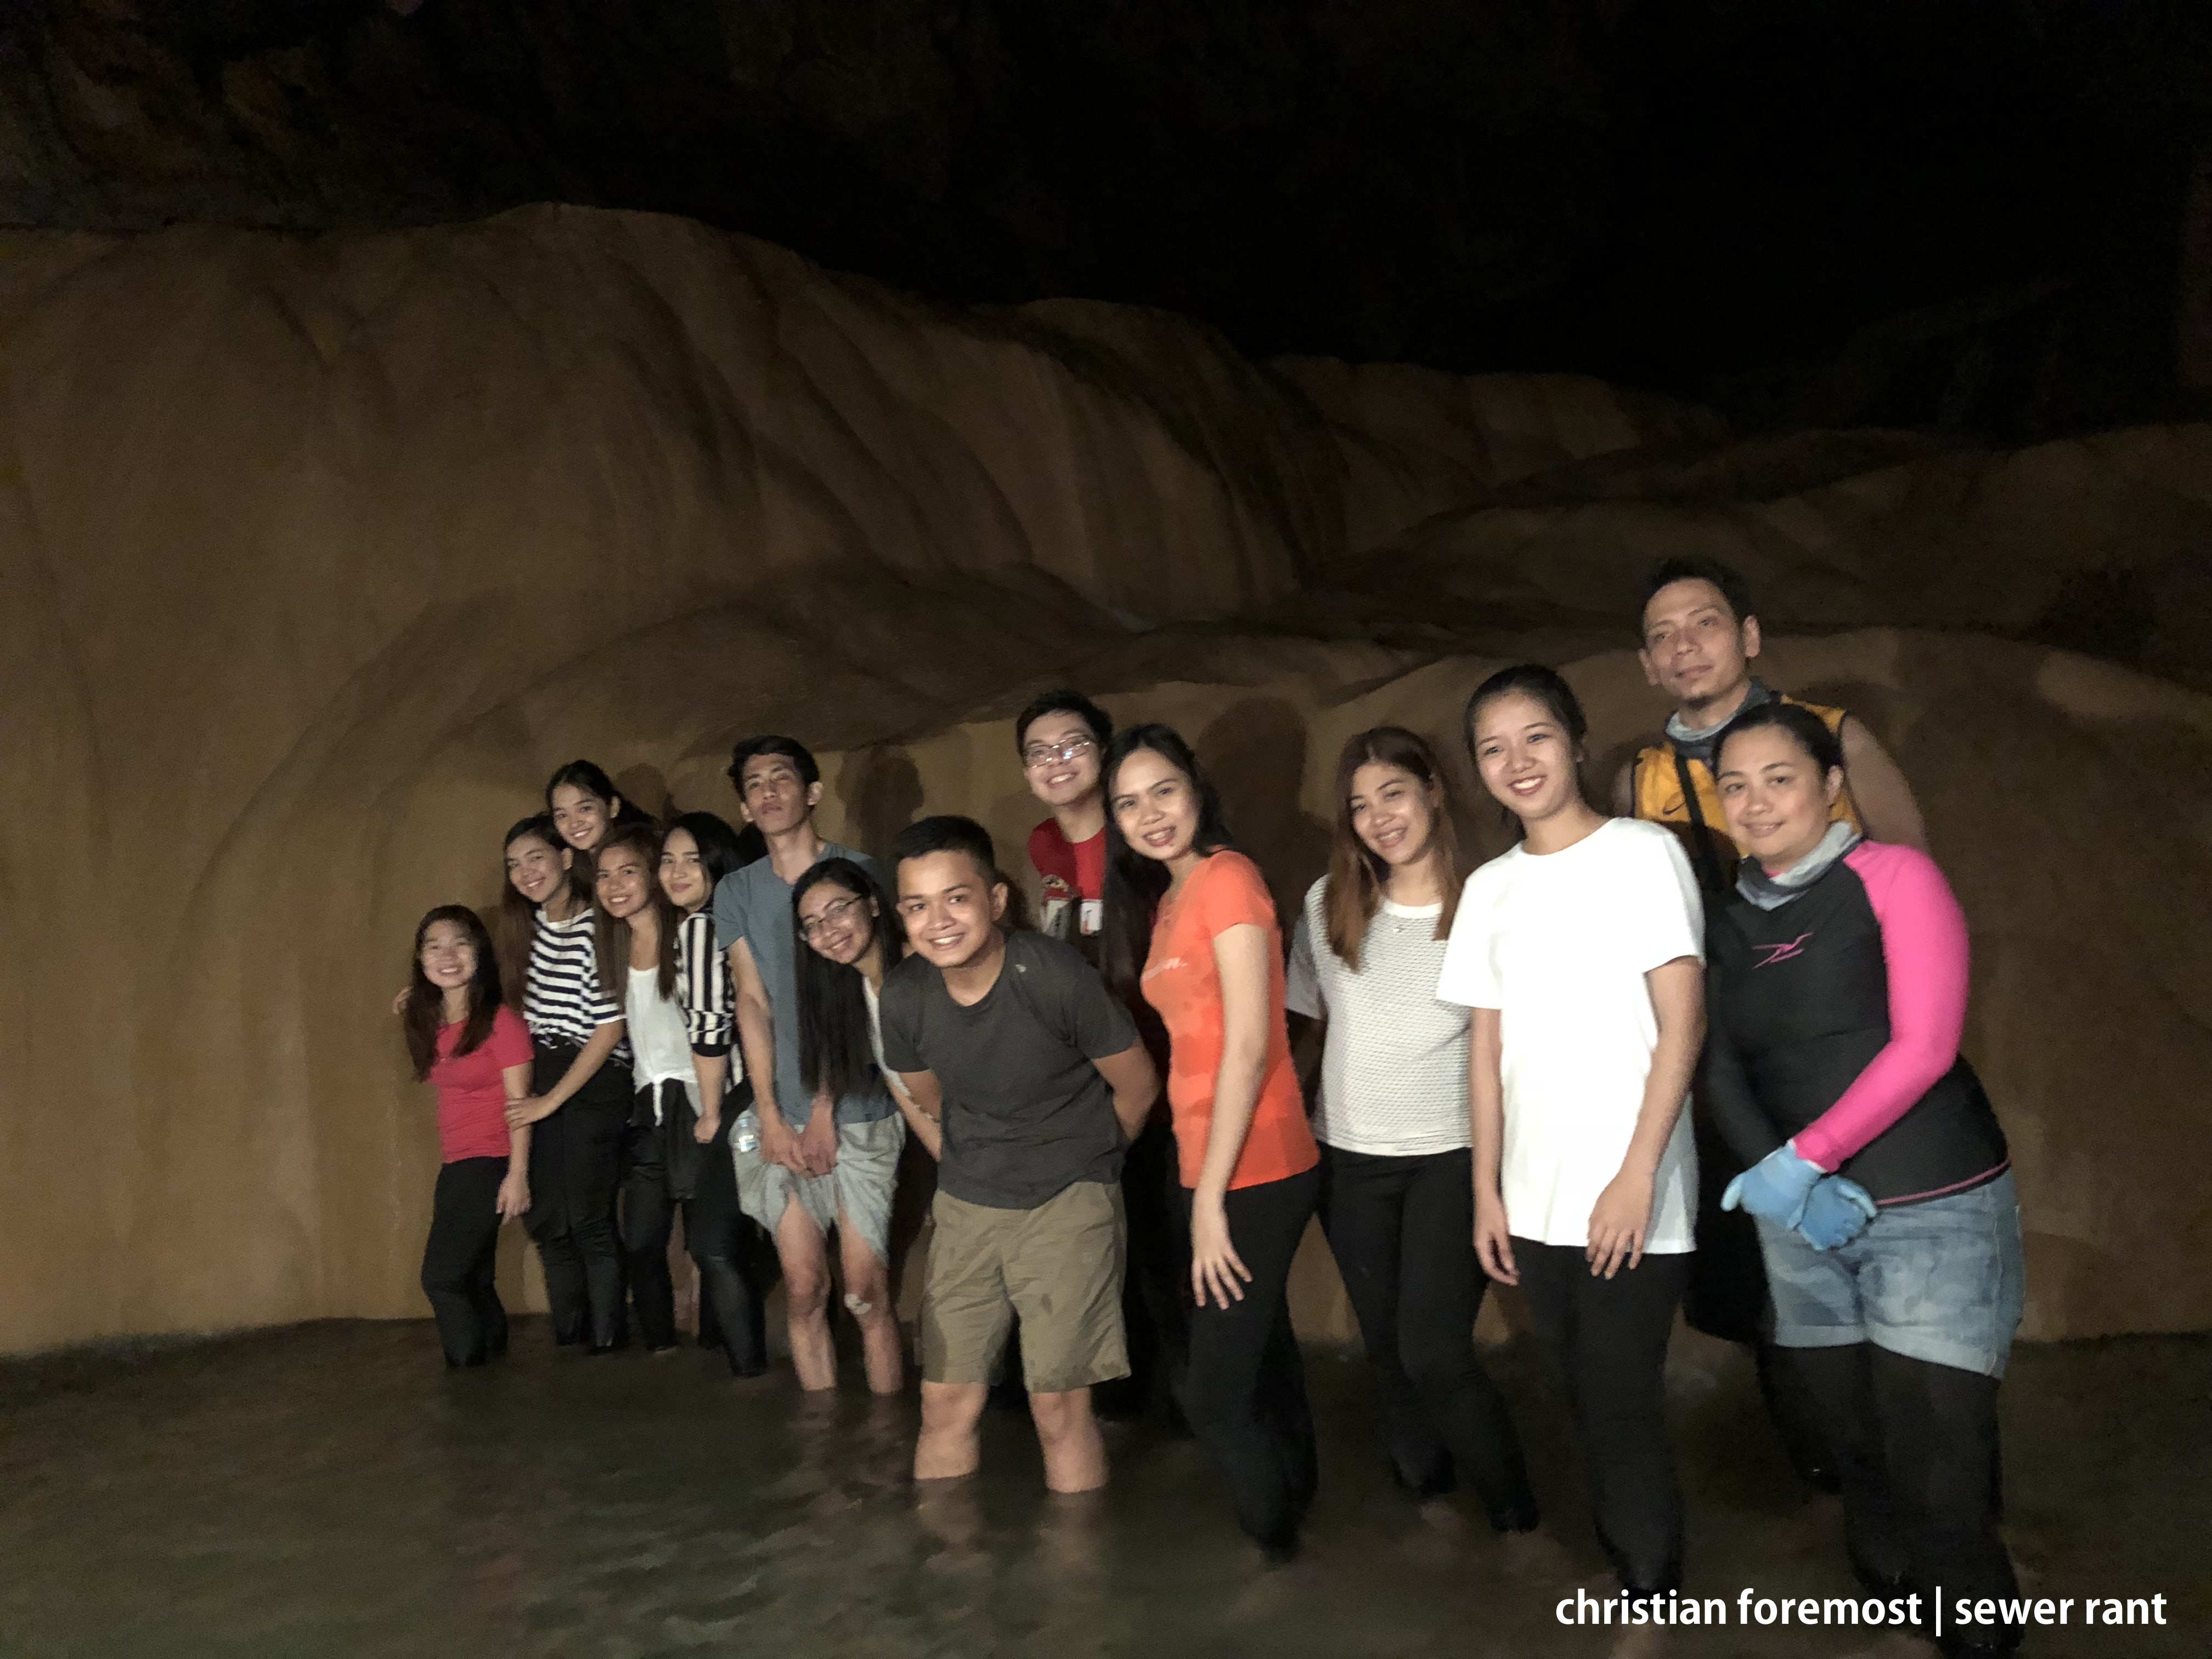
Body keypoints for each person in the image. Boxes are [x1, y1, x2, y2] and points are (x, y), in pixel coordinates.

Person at [1705, 702, 2022, 1659]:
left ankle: (1976, 1626)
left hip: (1933, 1200)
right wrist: (1780, 1178)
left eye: (1779, 776)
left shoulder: (1895, 876)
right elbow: (1718, 1062)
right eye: (1733, 782)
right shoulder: (1727, 918)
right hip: (1797, 1219)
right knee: (1857, 1454)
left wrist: (1805, 1157)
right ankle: (1890, 1612)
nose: (1754, 801)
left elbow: (1925, 1043)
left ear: (1830, 782)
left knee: (1942, 1462)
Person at [1611, 555, 1928, 1491]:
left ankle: (1915, 1484)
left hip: (1836, 1053)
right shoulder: (1643, 776)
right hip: (1725, 1067)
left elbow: (1909, 882)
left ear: (1748, 635)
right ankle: (1831, 1478)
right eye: (1664, 634)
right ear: (1646, 663)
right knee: (1766, 1286)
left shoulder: (1835, 737)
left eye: (1703, 623)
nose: (1685, 646)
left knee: (1878, 1270)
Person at [1441, 665, 1705, 1606]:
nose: (1517, 760)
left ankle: (1649, 1603)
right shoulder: (1486, 888)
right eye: (1493, 746)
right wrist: (1485, 1191)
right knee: (1572, 1394)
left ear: (1576, 740)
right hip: (1533, 1194)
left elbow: (1683, 1019)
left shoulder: (1641, 853)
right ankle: (1627, 1578)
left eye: (1536, 736)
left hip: (1629, 1188)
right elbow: (1484, 1055)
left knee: (1622, 1399)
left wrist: (1636, 1174)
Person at [1285, 727, 1539, 1536]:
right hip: (1350, 1158)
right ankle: (1429, 1505)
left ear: (1433, 790)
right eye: (1359, 805)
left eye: (1393, 793)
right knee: (1387, 1348)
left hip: (1451, 1158)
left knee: (1435, 1349)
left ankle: (1515, 1517)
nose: (1378, 817)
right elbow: (1303, 1024)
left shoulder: (1492, 901)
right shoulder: (1329, 904)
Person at [877, 815, 1159, 1494]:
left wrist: (1089, 1168)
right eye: (917, 906)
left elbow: (1138, 1087)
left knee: (1057, 1408)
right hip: (971, 1204)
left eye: (957, 898)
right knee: (944, 1401)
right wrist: (980, 1162)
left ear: (996, 900)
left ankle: (1074, 1585)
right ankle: (945, 1579)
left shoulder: (1050, 975)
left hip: (1068, 1199)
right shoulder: (906, 998)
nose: (938, 920)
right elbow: (931, 1101)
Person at [1101, 725, 1321, 1563]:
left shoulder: (1228, 880)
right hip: (1209, 1156)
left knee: (1214, 1391)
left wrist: (1209, 1203)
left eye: (1163, 791)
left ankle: (1275, 1553)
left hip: (1252, 1163)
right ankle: (1298, 1508)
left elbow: (1250, 1043)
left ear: (1195, 788)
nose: (1150, 814)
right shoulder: (1171, 895)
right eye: (1129, 803)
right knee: (1261, 1355)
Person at [710, 735, 903, 1390]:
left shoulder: (857, 872)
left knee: (866, 1291)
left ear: (812, 792)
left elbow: (855, 993)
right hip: (780, 1107)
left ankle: (885, 1449)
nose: (768, 792)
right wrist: (769, 1113)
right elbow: (753, 1000)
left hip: (860, 1104)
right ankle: (822, 1449)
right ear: (743, 804)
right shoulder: (736, 891)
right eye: (755, 783)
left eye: (782, 778)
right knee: (801, 1287)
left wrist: (824, 1109)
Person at [1017, 687, 1187, 1424]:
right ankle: (1122, 1400)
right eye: (1039, 752)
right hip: (1079, 1088)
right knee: (1098, 1244)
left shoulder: (1141, 847)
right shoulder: (1044, 847)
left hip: (1160, 1079)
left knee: (1159, 1248)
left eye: (1074, 745)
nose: (1057, 763)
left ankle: (1187, 1407)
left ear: (1104, 753)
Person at [774, 856, 921, 1395]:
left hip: (966, 1135)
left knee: (864, 1289)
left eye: (839, 911)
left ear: (875, 905)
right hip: (930, 1131)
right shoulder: (847, 985)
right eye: (813, 924)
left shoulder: (914, 971)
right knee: (817, 1286)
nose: (828, 930)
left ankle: (884, 1434)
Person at [499, 815, 632, 1352]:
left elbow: (609, 1026)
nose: (525, 872)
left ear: (566, 859)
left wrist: (551, 1100)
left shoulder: (595, 924)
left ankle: (606, 1343)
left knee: (588, 1219)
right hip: (543, 1067)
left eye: (535, 858)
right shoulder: (525, 930)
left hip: (593, 1075)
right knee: (548, 1219)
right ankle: (569, 1339)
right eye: (513, 865)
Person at [659, 811, 772, 1376]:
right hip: (760, 1088)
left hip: (738, 1094)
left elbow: (711, 1025)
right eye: (668, 860)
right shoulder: (735, 915)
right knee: (749, 1232)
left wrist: (710, 1114)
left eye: (692, 860)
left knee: (713, 1242)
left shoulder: (703, 927)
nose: (677, 872)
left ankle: (749, 1372)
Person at [403, 905, 534, 1368]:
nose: (448, 955)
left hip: (491, 1159)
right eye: (433, 946)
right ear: (420, 960)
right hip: (455, 1161)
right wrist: (412, 1001)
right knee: (475, 1278)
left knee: (442, 1278)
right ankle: (488, 1377)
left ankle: (466, 1372)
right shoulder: (428, 1018)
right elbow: (412, 1003)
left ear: (480, 952)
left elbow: (521, 1108)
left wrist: (517, 1176)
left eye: (460, 943)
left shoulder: (502, 1024)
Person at [545, 759, 656, 860]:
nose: (574, 824)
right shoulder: (570, 864)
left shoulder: (642, 856)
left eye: (585, 809)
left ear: (613, 807)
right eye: (562, 816)